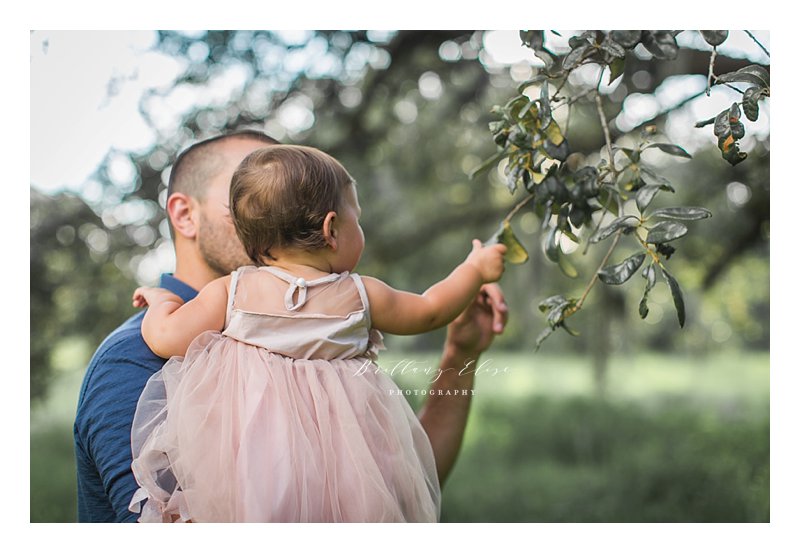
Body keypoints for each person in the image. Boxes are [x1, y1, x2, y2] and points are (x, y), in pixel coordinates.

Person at [73, 131, 509, 522]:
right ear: (185, 215)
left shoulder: (324, 334)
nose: (275, 211)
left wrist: (461, 353)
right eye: (247, 197)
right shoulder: (135, 362)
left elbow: (399, 480)